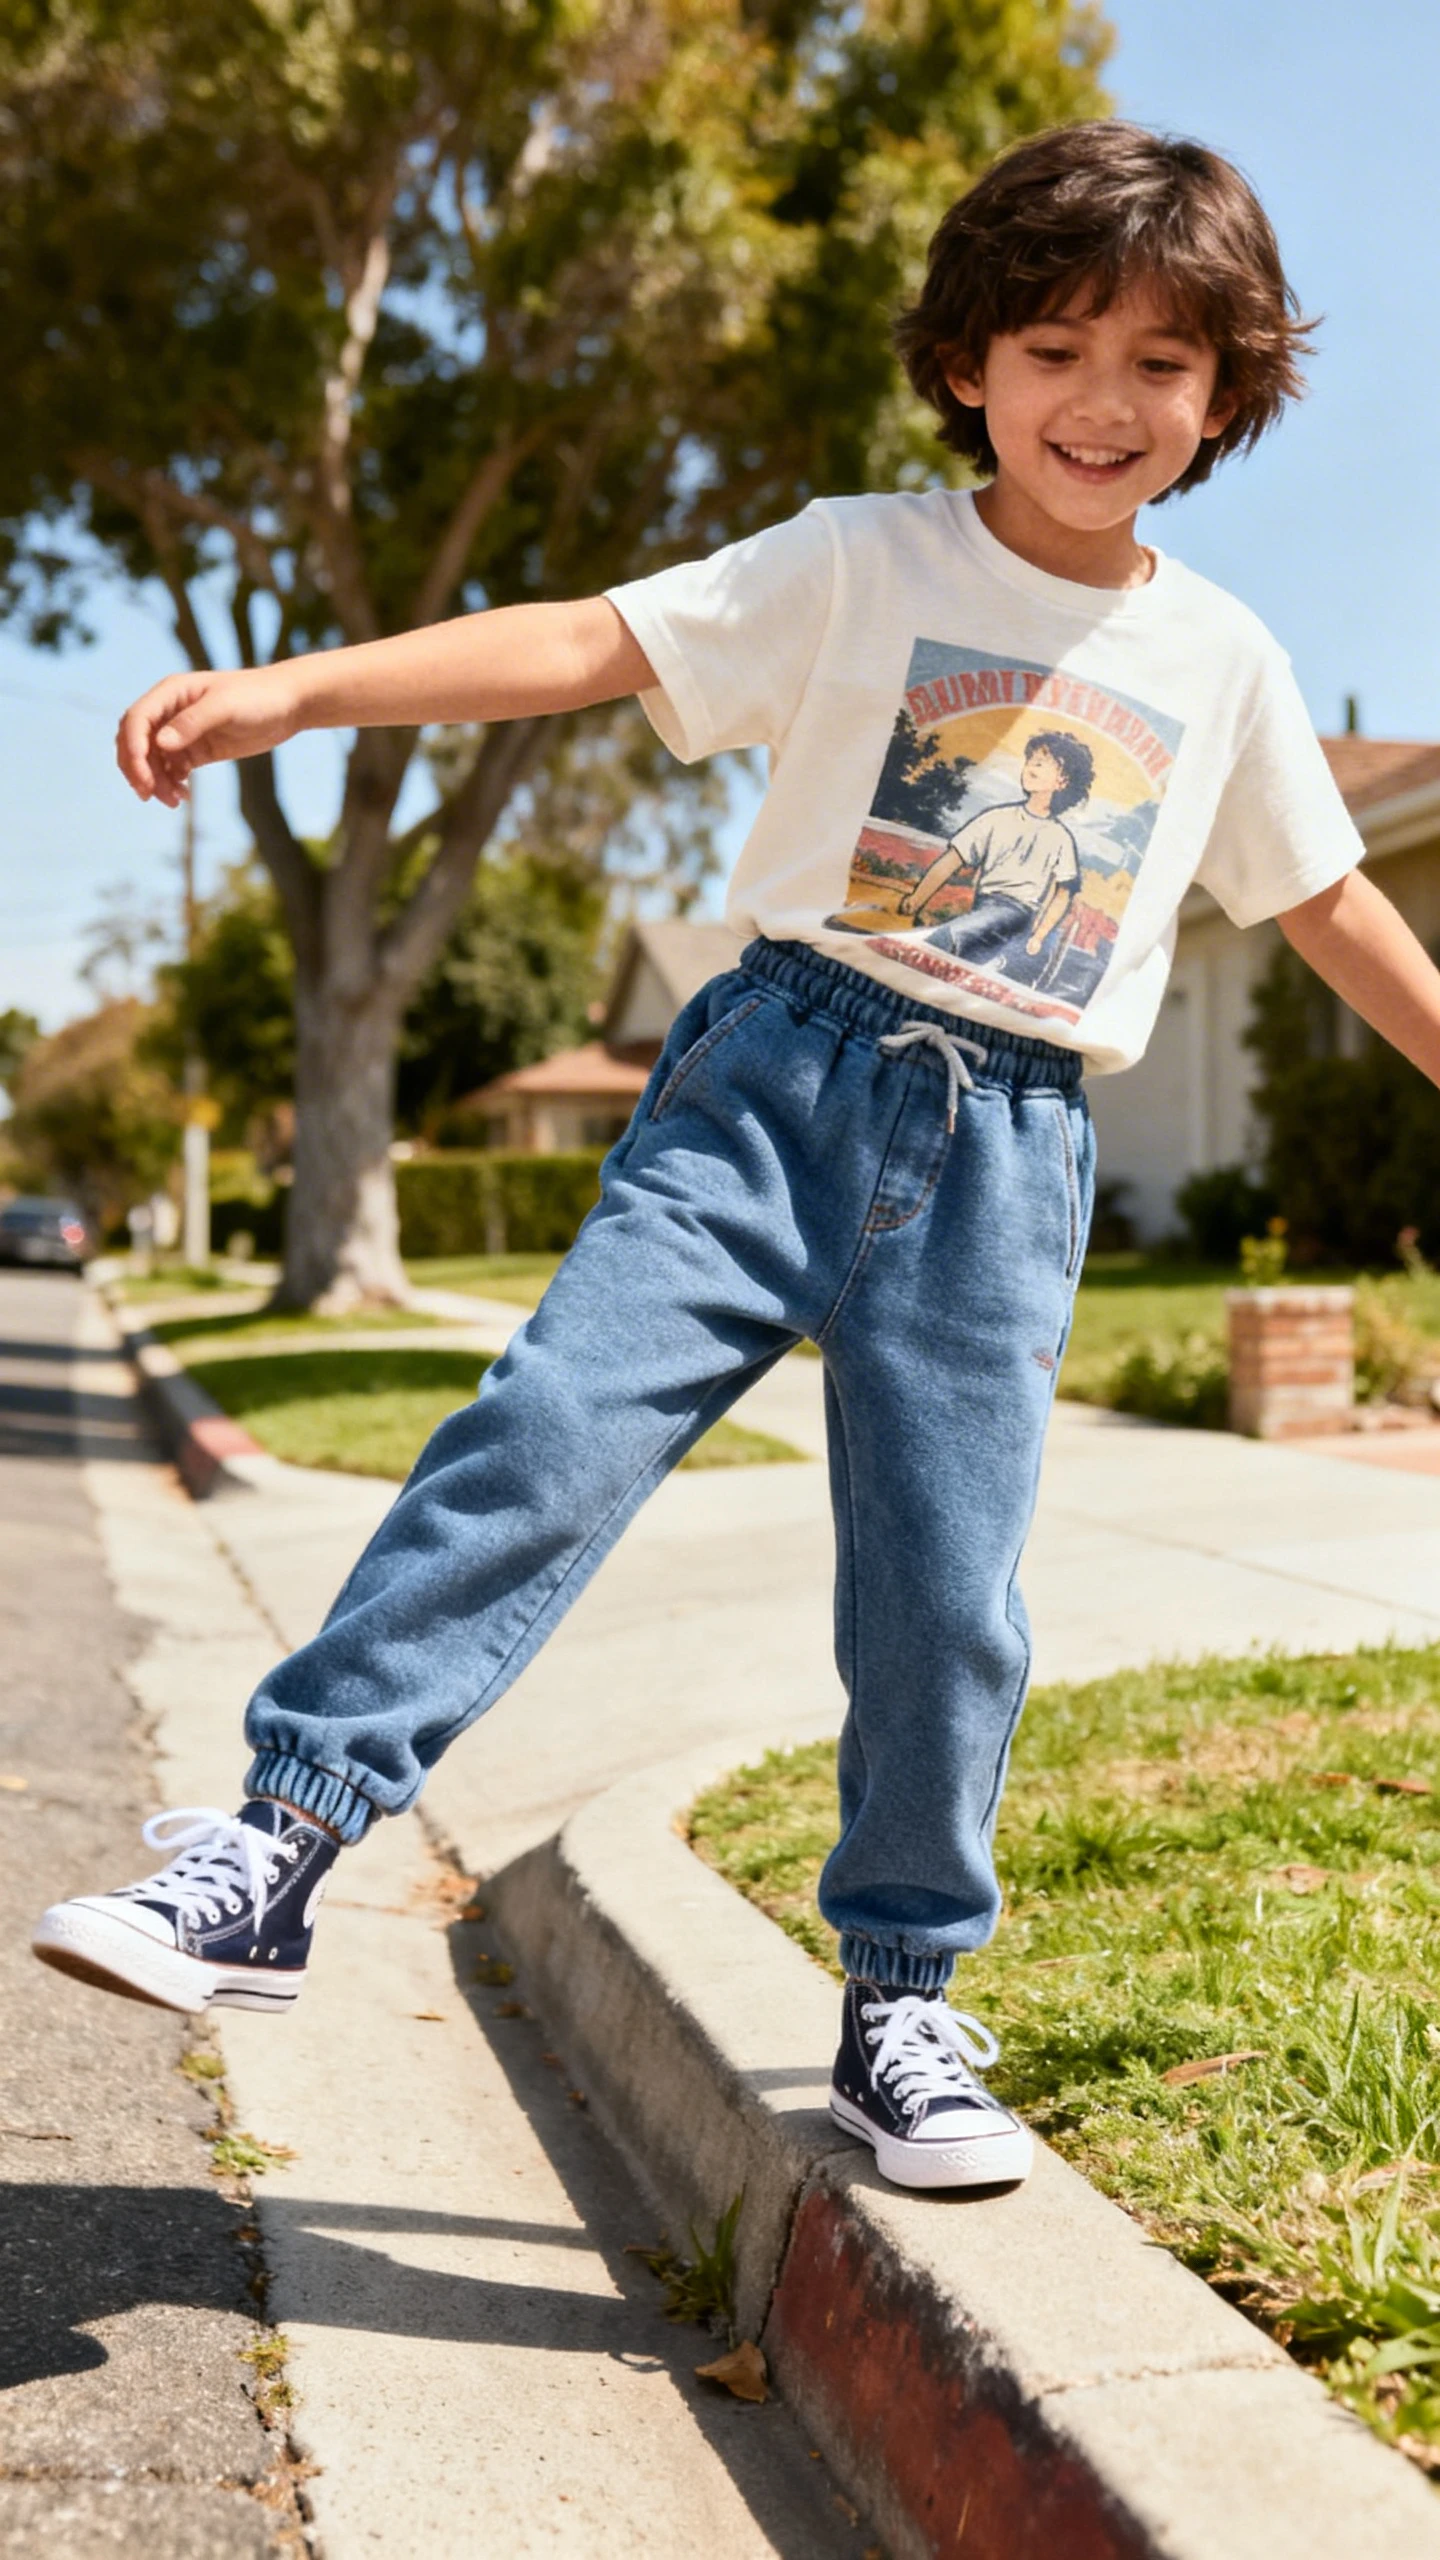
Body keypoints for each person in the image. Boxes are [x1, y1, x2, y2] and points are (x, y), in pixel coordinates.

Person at [33, 122, 1440, 2196]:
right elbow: (594, 641)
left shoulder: (1218, 660)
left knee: (948, 1597)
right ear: (968, 361)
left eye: (1165, 360)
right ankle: (278, 1847)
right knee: (545, 1431)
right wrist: (304, 688)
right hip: (779, 1076)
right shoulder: (861, 557)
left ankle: (902, 2004)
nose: (1108, 400)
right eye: (1060, 345)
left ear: (1226, 395)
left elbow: (1326, 902)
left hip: (1015, 1143)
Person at [897, 728, 1095, 968]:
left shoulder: (1060, 838)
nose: (1030, 767)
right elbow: (952, 860)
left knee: (942, 940)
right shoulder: (995, 818)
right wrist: (917, 899)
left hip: (1017, 913)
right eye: (1030, 761)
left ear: (1062, 780)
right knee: (957, 969)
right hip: (983, 907)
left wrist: (1039, 935)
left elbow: (1063, 894)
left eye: (1042, 764)